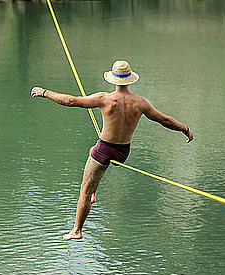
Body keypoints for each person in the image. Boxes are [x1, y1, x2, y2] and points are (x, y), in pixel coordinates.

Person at [31, 60, 193, 240]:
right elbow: (164, 120)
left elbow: (71, 101)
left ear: (113, 79)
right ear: (130, 80)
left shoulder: (105, 99)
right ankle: (95, 192)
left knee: (83, 191)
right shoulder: (141, 103)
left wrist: (45, 93)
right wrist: (184, 129)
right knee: (92, 151)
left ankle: (77, 230)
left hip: (104, 150)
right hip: (123, 152)